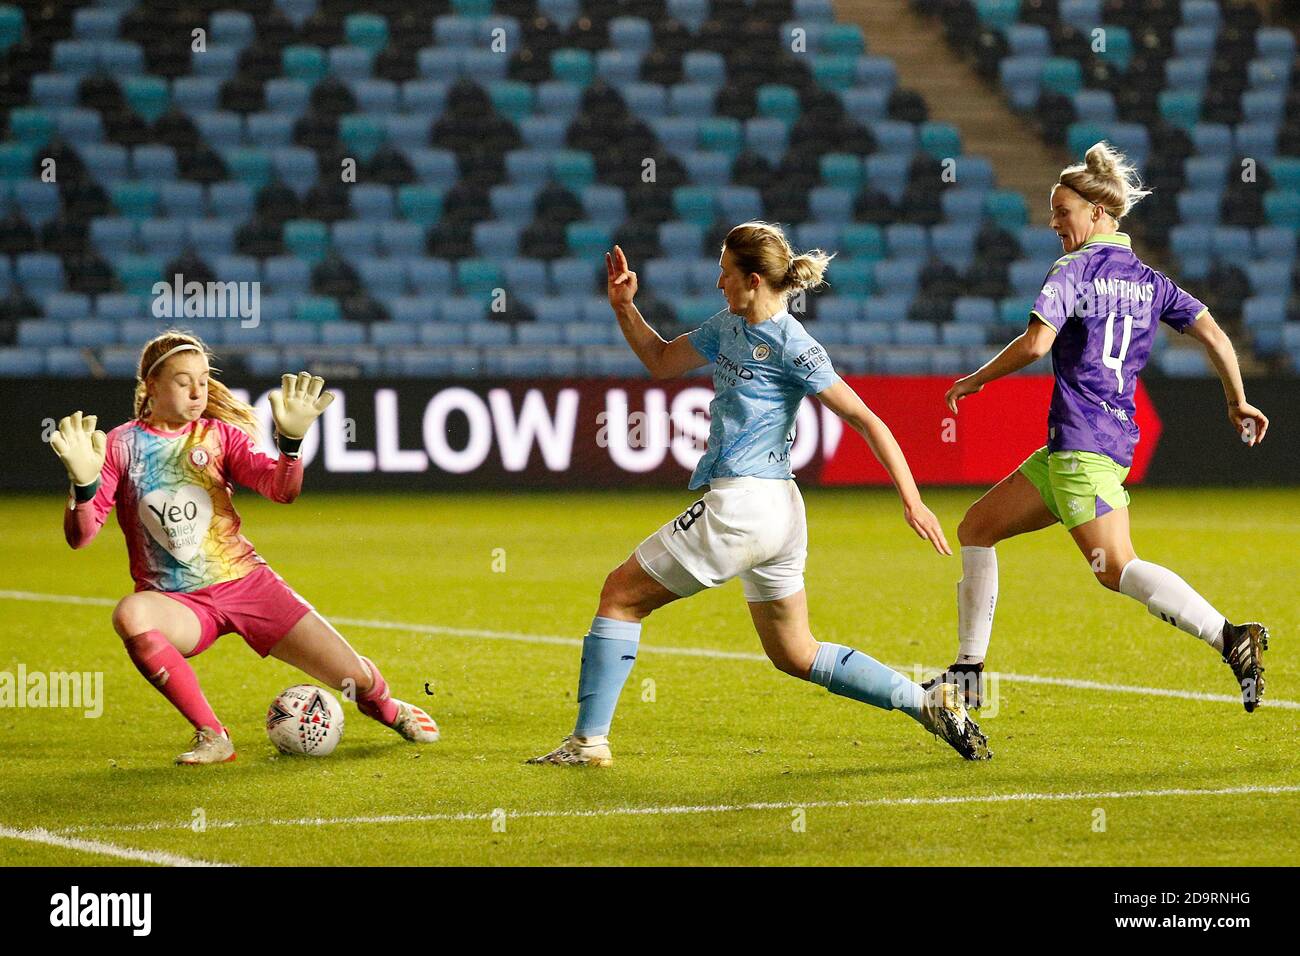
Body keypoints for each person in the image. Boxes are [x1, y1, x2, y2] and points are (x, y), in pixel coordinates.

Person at [529, 222, 991, 767]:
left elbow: (866, 419)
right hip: (779, 513)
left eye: (725, 274)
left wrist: (913, 500)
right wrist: (624, 307)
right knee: (796, 653)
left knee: (620, 596)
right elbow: (661, 360)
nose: (717, 282)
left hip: (744, 507)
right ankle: (926, 703)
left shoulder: (794, 344)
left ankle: (588, 743)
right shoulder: (728, 325)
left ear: (752, 279)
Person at [925, 142, 1270, 714]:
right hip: (1083, 447)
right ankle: (968, 671)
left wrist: (977, 379)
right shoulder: (1150, 279)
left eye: (1063, 210)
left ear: (1098, 213)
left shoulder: (1075, 269)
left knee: (1117, 570)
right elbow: (1213, 333)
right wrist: (1237, 399)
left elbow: (1038, 343)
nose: (1054, 221)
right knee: (977, 527)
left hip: (1083, 449)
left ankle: (1232, 638)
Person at [49, 330, 441, 764]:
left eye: (203, 379)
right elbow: (81, 536)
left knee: (354, 678)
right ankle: (213, 736)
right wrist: (83, 489)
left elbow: (280, 490)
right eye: (184, 381)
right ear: (152, 386)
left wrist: (290, 447)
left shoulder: (219, 437)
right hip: (180, 603)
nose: (199, 391)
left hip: (248, 585)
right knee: (131, 614)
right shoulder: (121, 445)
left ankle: (389, 708)